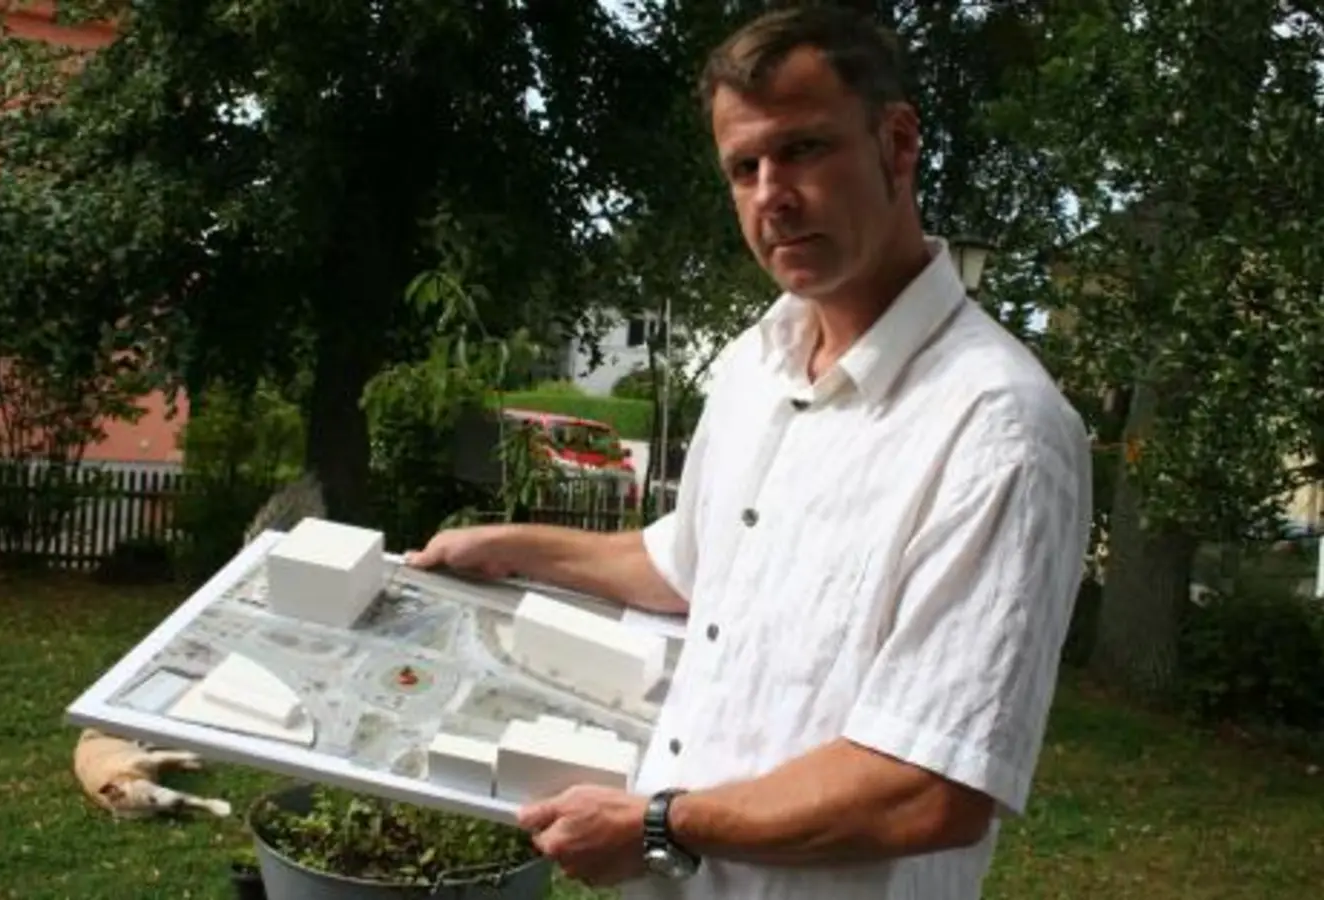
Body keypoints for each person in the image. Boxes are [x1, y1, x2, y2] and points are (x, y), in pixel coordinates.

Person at [405, 7, 1092, 899]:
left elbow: (930, 789)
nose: (772, 192)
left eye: (804, 149)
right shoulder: (752, 368)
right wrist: (508, 546)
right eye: (745, 166)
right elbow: (694, 566)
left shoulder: (998, 430)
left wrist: (658, 823)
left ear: (897, 142)